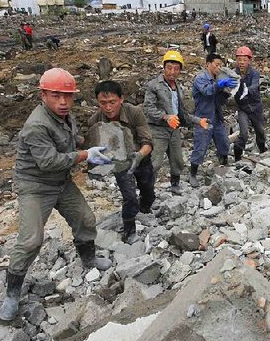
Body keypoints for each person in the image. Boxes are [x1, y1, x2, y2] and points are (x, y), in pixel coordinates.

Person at [1, 68, 114, 321]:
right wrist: (86, 155)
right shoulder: (36, 125)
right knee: (31, 240)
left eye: (68, 96)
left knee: (85, 219)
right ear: (43, 95)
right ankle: (12, 292)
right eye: (56, 96)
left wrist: (95, 140)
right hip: (36, 186)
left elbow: (72, 140)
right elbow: (49, 162)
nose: (63, 102)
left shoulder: (65, 116)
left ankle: (89, 259)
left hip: (61, 182)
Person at [88, 80, 155, 242]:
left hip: (141, 157)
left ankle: (145, 208)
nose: (108, 107)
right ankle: (129, 228)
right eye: (103, 103)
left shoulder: (134, 113)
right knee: (129, 196)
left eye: (112, 102)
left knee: (148, 191)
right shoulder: (95, 121)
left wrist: (138, 156)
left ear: (121, 99)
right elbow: (93, 147)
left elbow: (148, 141)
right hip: (120, 163)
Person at [143, 50, 208, 195]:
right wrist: (165, 117)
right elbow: (148, 108)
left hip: (174, 130)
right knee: (155, 162)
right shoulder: (154, 85)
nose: (172, 72)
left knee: (177, 159)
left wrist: (198, 121)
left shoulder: (177, 88)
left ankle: (175, 184)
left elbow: (182, 113)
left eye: (176, 69)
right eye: (169, 68)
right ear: (164, 67)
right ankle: (147, 193)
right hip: (158, 130)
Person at [190, 53, 236, 187]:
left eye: (220, 65)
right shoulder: (200, 78)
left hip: (217, 115)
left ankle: (224, 163)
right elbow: (207, 92)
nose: (218, 68)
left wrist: (226, 91)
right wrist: (219, 85)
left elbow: (220, 101)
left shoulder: (218, 78)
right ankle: (193, 172)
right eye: (216, 65)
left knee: (223, 141)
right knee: (200, 146)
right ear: (208, 64)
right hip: (203, 117)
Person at [232, 46, 265, 161]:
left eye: (244, 60)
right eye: (239, 59)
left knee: (260, 131)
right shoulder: (233, 74)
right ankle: (237, 155)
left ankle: (262, 150)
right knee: (244, 133)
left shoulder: (254, 73)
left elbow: (255, 86)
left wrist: (245, 89)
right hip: (242, 108)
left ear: (249, 61)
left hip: (255, 107)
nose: (241, 62)